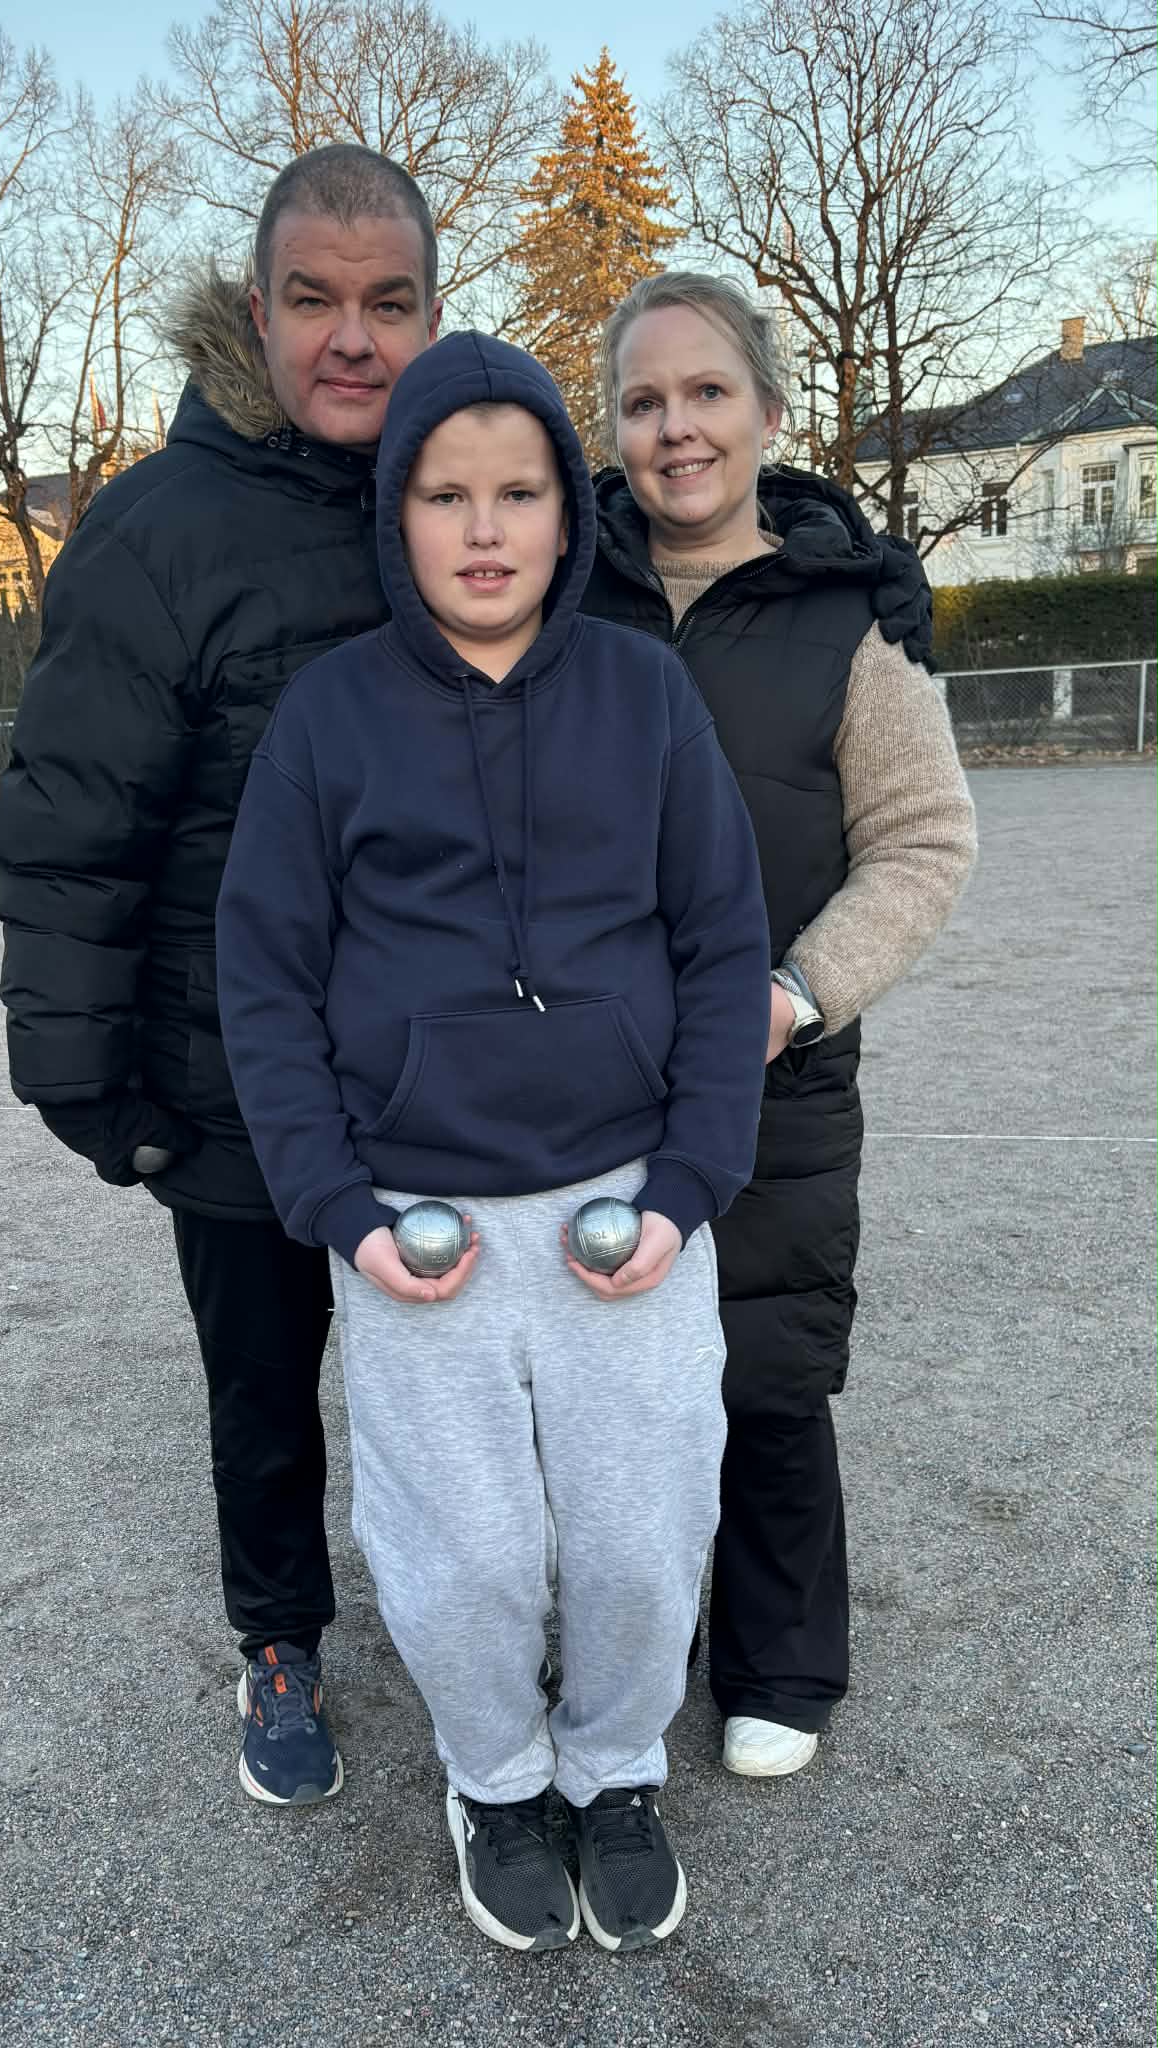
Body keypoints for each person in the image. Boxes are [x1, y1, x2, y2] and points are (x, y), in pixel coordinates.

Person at [214, 331, 771, 1952]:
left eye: (517, 491)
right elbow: (266, 976)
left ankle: (611, 1769)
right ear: (393, 512)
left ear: (565, 511)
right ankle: (499, 1780)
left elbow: (720, 943)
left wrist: (688, 1183)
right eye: (443, 494)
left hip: (627, 1208)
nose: (481, 528)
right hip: (417, 1218)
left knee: (638, 1536)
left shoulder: (641, 693)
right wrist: (337, 1202)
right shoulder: (328, 715)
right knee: (462, 1555)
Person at [0, 145, 442, 1807]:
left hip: (445, 1072)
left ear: (431, 315)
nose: (351, 337)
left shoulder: (472, 490)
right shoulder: (152, 531)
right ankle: (280, 1642)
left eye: (387, 302)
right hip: (235, 1073)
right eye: (314, 299)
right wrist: (89, 1081)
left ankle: (476, 1638)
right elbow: (72, 829)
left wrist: (828, 558)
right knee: (261, 1386)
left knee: (459, 1383)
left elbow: (662, 610)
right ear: (255, 311)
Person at [582, 272, 978, 1780]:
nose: (675, 428)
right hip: (582, 1076)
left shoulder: (850, 618)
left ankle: (780, 1660)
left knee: (764, 1371)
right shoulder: (560, 594)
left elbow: (923, 841)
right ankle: (621, 1637)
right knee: (602, 1378)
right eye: (642, 401)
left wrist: (798, 994)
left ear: (765, 408)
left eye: (705, 392)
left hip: (771, 1074)